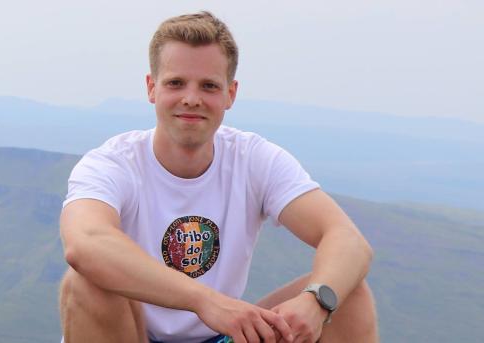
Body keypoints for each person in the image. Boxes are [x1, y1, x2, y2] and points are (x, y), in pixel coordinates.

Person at [59, 11, 378, 343]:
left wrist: (315, 302)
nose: (192, 98)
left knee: (344, 294)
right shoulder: (112, 164)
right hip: (134, 333)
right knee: (85, 283)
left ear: (230, 93)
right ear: (152, 88)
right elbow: (86, 242)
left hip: (224, 336)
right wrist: (205, 301)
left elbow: (348, 240)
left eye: (209, 86)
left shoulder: (253, 158)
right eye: (176, 83)